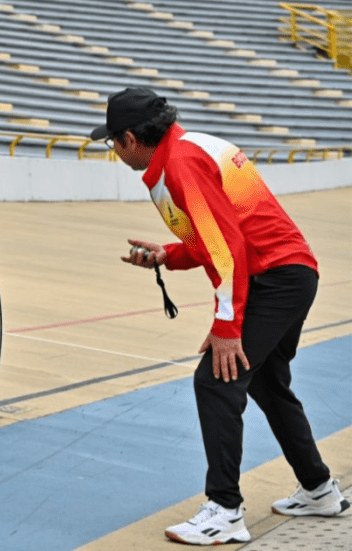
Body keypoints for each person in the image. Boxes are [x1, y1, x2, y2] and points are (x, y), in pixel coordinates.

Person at [90, 87, 349, 545]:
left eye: (112, 141)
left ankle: (225, 511)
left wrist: (226, 327)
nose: (113, 149)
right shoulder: (187, 149)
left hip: (273, 277)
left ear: (130, 138)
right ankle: (319, 489)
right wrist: (168, 255)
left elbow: (227, 248)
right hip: (288, 272)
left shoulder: (181, 165)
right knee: (266, 382)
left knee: (215, 381)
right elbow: (215, 237)